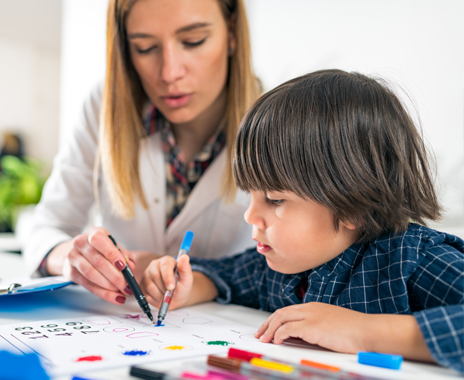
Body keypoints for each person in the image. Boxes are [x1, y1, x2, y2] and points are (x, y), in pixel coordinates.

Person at [141, 70, 464, 373]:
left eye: (275, 200)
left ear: (354, 206)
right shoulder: (281, 263)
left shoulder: (415, 260)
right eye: (250, 195)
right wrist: (187, 286)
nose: (250, 215)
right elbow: (227, 276)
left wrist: (363, 332)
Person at [24, 0, 260, 306]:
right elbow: (45, 228)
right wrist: (73, 260)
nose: (169, 72)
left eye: (193, 41)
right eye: (145, 47)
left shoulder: (283, 123)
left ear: (231, 34)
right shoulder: (104, 108)